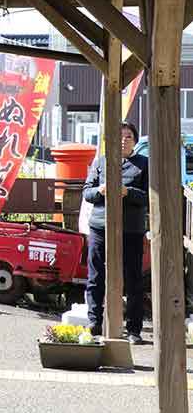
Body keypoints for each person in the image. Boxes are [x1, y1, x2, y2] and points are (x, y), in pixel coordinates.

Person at [82, 122, 148, 345]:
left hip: (131, 228)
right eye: (119, 136)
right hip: (100, 226)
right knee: (96, 276)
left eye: (128, 136)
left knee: (133, 278)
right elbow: (87, 192)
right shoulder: (101, 162)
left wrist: (127, 192)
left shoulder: (143, 164)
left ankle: (134, 329)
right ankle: (94, 323)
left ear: (135, 141)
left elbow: (148, 196)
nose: (123, 140)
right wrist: (100, 191)